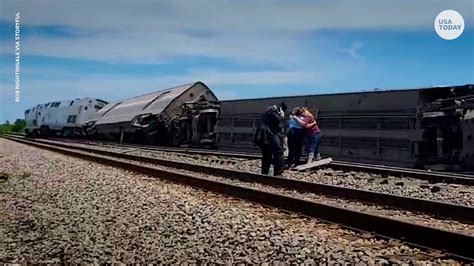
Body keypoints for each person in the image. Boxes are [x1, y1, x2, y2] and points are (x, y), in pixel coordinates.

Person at [253, 103, 286, 176]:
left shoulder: (267, 113)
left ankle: (264, 173)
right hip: (269, 135)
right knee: (278, 152)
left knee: (266, 155)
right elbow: (278, 119)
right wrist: (282, 115)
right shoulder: (272, 111)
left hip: (263, 136)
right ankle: (278, 173)